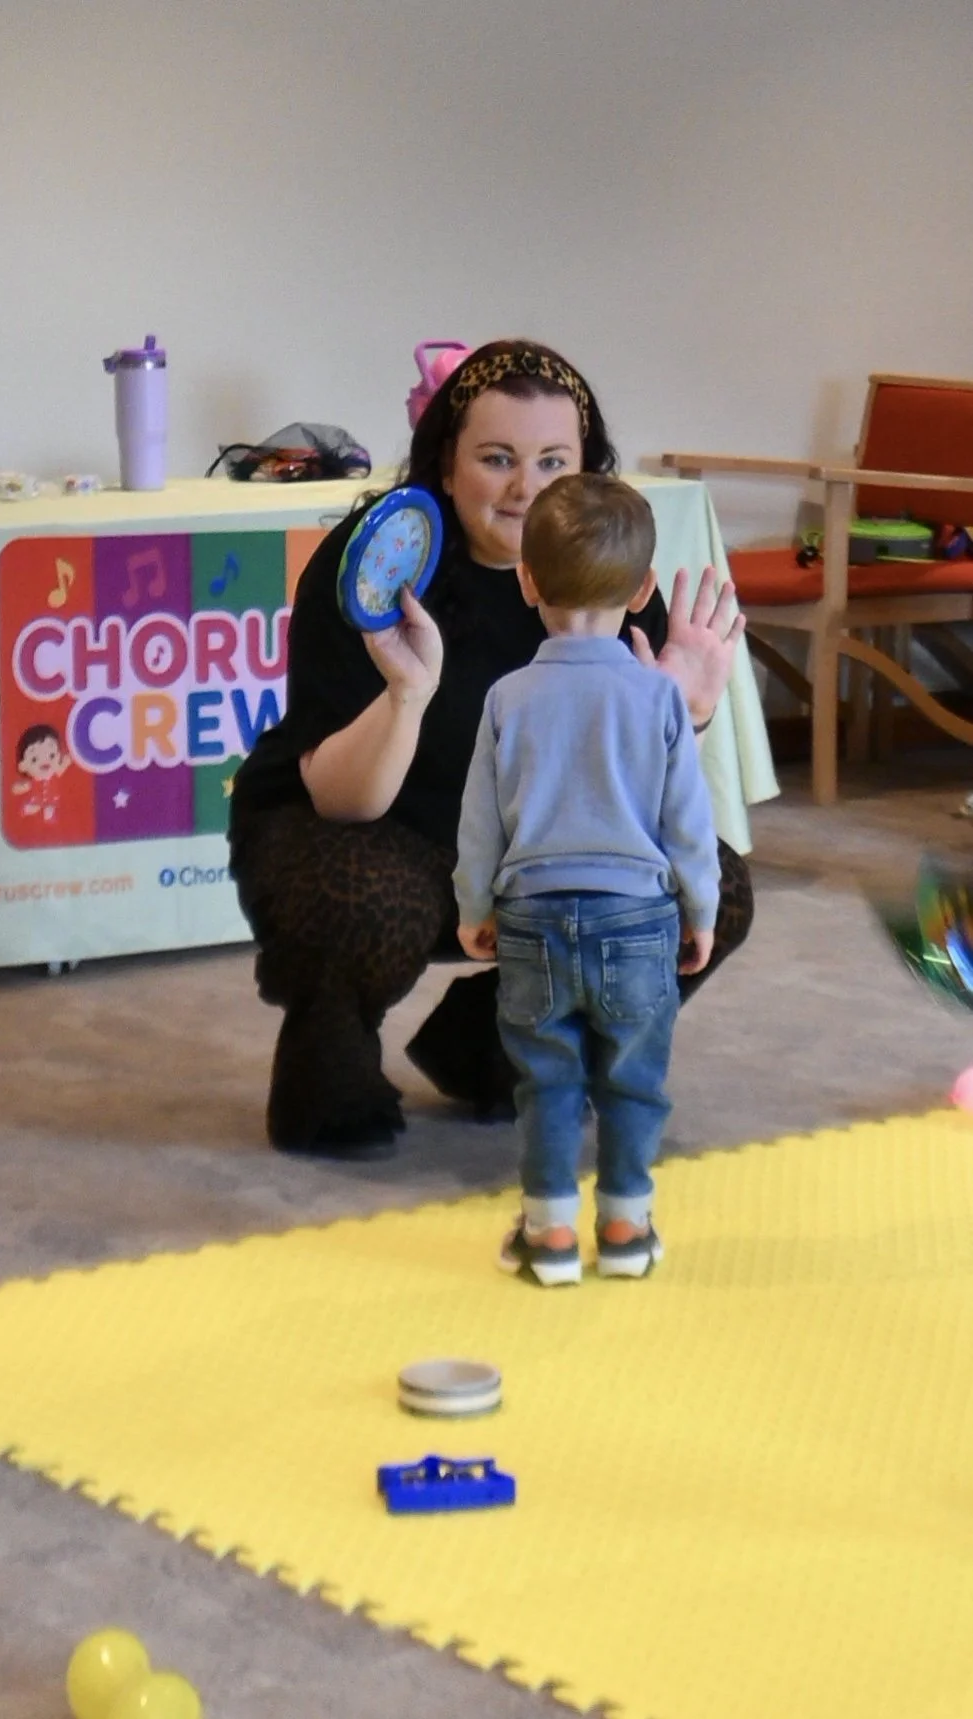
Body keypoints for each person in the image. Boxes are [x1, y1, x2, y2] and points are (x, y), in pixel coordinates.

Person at [228, 338, 752, 1158]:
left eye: (552, 460)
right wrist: (407, 692)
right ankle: (327, 1073)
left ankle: (496, 1045)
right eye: (496, 458)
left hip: (530, 852)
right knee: (356, 895)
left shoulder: (605, 567)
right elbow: (342, 799)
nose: (526, 488)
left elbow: (632, 801)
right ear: (444, 464)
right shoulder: (378, 564)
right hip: (373, 830)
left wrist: (683, 714)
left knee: (711, 888)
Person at [454, 473, 719, 1284]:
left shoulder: (508, 697)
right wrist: (698, 910)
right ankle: (627, 1225)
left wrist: (474, 906)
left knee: (547, 1080)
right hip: (637, 918)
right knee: (633, 1079)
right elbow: (687, 821)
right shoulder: (658, 697)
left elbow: (480, 822)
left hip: (531, 916)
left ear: (527, 579)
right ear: (643, 591)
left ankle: (551, 1235)